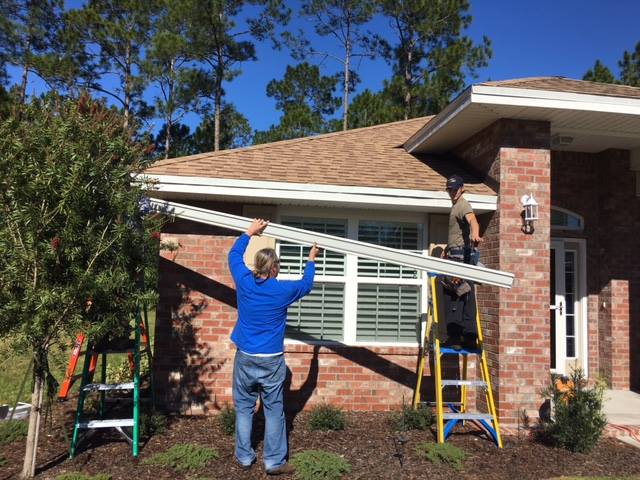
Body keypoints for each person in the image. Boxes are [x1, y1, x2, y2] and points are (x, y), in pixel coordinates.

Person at [228, 218, 320, 475]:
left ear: (258, 267)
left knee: (245, 409)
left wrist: (249, 233)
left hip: (245, 357)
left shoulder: (244, 281)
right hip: (271, 360)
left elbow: (234, 254)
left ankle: (245, 458)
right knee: (274, 411)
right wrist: (311, 259)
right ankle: (274, 462)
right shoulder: (281, 291)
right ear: (274, 270)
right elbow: (306, 284)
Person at [441, 174, 482, 350]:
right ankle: (469, 338)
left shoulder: (463, 204)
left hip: (459, 258)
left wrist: (475, 233)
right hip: (457, 253)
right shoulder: (456, 205)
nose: (452, 192)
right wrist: (446, 250)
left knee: (453, 295)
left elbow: (473, 220)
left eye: (454, 189)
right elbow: (458, 234)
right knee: (465, 294)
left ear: (461, 189)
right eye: (449, 190)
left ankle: (457, 337)